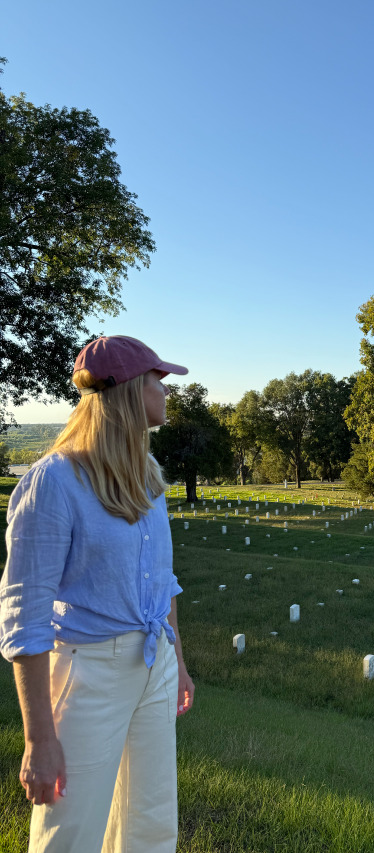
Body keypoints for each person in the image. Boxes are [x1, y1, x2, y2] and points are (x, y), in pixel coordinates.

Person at [0, 335, 195, 853]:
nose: (167, 389)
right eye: (160, 379)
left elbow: (163, 580)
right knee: (71, 831)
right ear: (132, 390)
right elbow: (25, 616)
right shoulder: (54, 483)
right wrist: (40, 740)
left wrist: (177, 661)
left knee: (149, 822)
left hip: (154, 668)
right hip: (88, 673)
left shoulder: (148, 477)